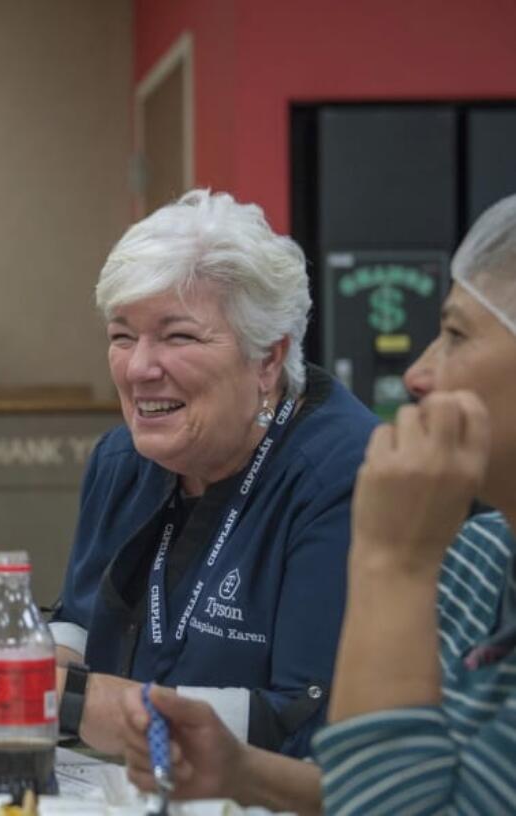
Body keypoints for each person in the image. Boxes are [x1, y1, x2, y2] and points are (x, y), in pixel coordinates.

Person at [0, 190, 377, 759]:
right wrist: (9, 672)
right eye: (122, 336)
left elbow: (302, 722)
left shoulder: (344, 475)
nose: (138, 368)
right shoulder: (122, 460)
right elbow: (84, 626)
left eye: (178, 336)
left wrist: (67, 698)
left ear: (268, 358)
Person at [119, 193, 516, 815]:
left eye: (456, 335)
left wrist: (393, 562)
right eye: (122, 336)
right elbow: (402, 789)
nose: (416, 374)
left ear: (268, 360)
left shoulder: (368, 500)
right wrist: (244, 773)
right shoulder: (481, 557)